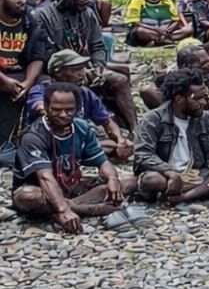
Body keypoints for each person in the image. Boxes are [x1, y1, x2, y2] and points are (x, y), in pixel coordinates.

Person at [12, 83, 137, 233]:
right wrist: (64, 210)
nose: (64, 115)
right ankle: (91, 209)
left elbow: (102, 161)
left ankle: (71, 208)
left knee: (129, 182)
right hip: (42, 190)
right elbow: (45, 178)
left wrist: (112, 179)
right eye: (57, 110)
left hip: (71, 187)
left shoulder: (81, 127)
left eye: (69, 110)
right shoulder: (34, 136)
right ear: (46, 107)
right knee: (27, 197)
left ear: (77, 109)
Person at [32, 0, 137, 131]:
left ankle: (135, 129)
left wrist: (97, 67)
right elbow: (43, 53)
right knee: (47, 82)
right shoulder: (41, 16)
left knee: (120, 78)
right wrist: (77, 69)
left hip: (84, 65)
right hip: (55, 69)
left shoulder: (87, 13)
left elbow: (97, 45)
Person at [134, 69, 209, 204]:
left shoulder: (204, 117)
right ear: (179, 99)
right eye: (198, 98)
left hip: (196, 173)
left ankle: (183, 197)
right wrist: (169, 172)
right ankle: (207, 190)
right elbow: (143, 155)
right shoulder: (153, 119)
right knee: (150, 180)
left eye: (204, 97)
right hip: (167, 175)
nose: (204, 103)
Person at [27, 50, 134, 163]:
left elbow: (106, 121)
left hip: (76, 140)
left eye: (82, 68)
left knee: (116, 145)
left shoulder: (85, 93)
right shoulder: (41, 90)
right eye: (75, 69)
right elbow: (39, 107)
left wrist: (120, 140)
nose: (82, 73)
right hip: (49, 140)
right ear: (58, 72)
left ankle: (84, 155)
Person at [0, 0, 46, 165]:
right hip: (3, 77)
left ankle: (36, 141)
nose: (22, 1)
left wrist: (27, 83)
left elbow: (37, 56)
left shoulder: (29, 21)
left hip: (19, 75)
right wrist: (4, 80)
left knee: (46, 85)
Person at [124, 0, 193, 48]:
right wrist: (156, 29)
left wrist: (168, 30)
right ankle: (165, 41)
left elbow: (175, 20)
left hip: (168, 33)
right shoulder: (137, 1)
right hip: (149, 31)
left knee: (190, 28)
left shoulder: (168, 1)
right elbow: (136, 22)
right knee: (140, 31)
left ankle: (161, 41)